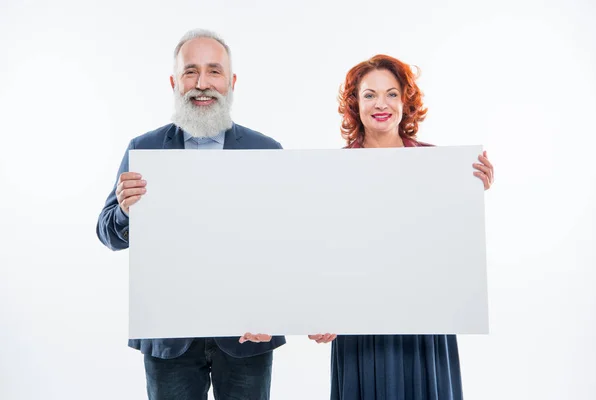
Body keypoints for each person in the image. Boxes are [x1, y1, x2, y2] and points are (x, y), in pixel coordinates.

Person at [96, 29, 285, 400]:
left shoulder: (267, 151)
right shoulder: (144, 148)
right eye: (190, 72)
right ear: (174, 82)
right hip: (169, 336)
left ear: (231, 82)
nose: (203, 83)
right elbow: (107, 234)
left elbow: (291, 242)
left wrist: (277, 309)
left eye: (214, 71)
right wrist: (124, 210)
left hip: (248, 332)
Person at [309, 54, 494, 400]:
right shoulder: (334, 169)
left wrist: (474, 192)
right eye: (369, 95)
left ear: (405, 101)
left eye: (392, 94)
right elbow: (324, 251)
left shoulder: (439, 164)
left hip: (425, 322)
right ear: (354, 104)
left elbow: (450, 244)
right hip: (359, 325)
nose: (382, 104)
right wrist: (322, 311)